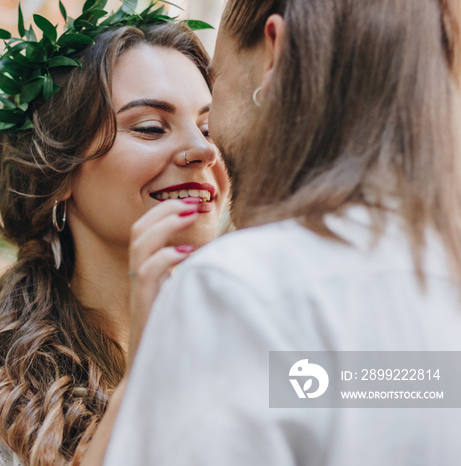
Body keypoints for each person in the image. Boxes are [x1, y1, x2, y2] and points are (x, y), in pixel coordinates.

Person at [99, 0, 461, 464]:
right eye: (151, 127)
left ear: (274, 53)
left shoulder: (235, 289)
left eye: (215, 88)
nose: (203, 150)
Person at [0, 3, 229, 465]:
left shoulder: (263, 355)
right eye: (151, 127)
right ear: (59, 173)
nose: (202, 149)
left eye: (210, 127)